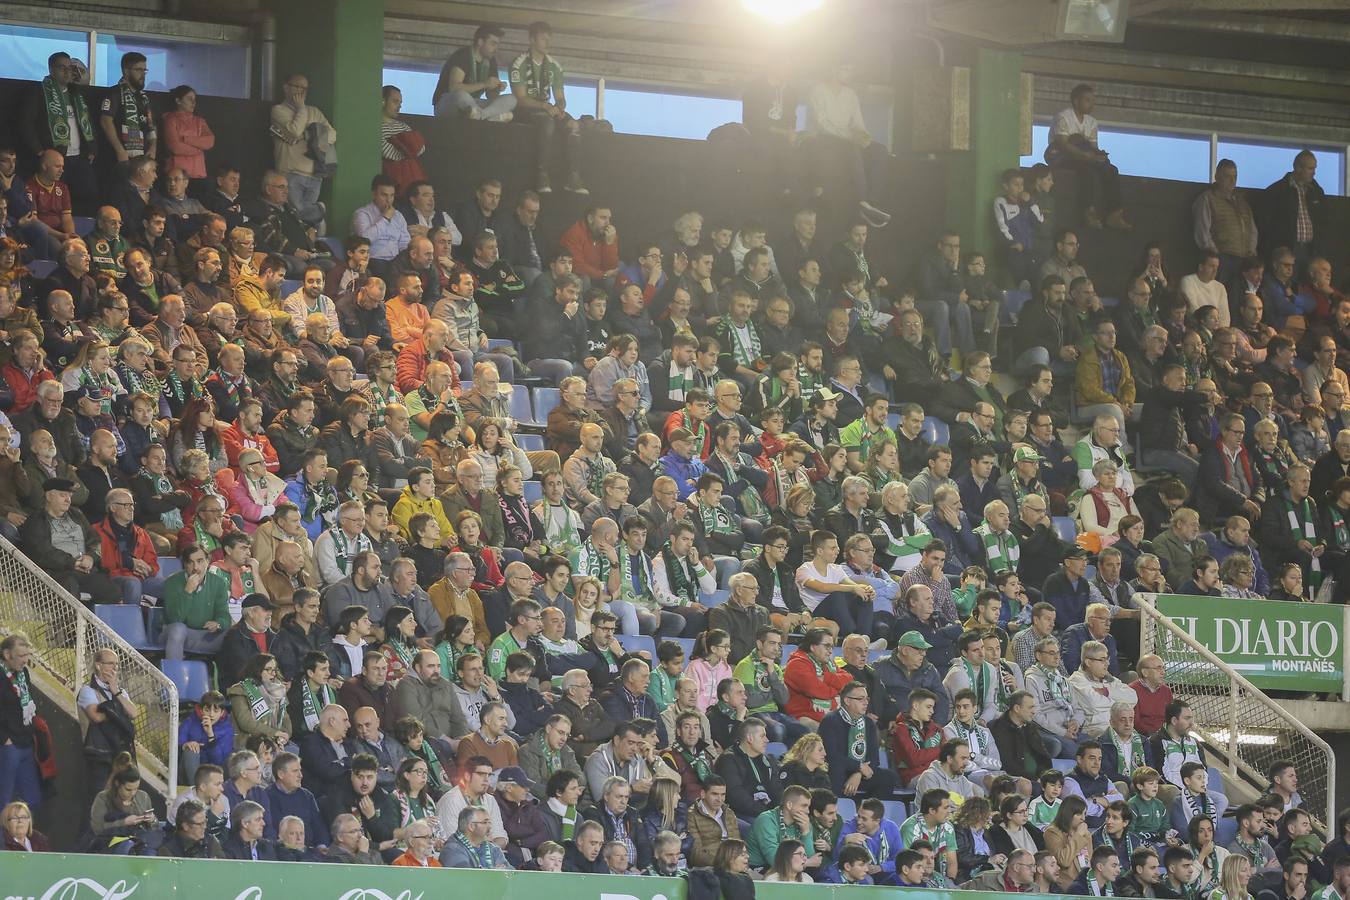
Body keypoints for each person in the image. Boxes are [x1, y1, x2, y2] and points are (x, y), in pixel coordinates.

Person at [1046, 84, 1129, 231]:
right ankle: (1088, 213)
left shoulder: (1092, 122)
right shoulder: (1064, 116)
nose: (1091, 104)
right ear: (1076, 101)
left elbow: (1093, 147)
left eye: (1092, 100)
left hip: (1083, 157)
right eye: (1087, 100)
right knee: (1087, 171)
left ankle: (1114, 214)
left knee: (1111, 170)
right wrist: (1085, 155)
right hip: (1060, 156)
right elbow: (1063, 144)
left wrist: (1099, 156)